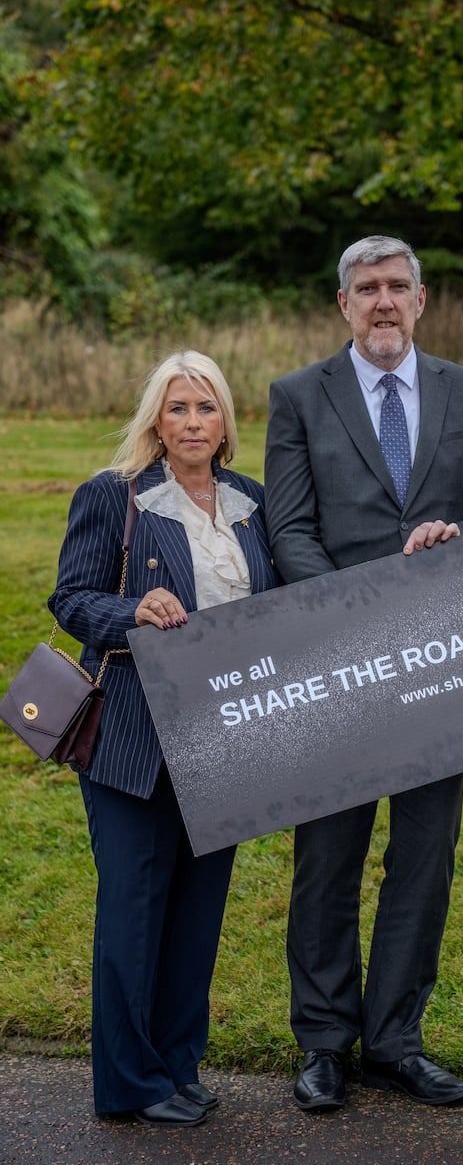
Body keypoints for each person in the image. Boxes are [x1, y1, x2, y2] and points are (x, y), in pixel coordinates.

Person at [264, 234, 463, 1110]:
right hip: (338, 667)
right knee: (326, 858)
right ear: (343, 303)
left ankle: (398, 1041)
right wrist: (352, 614)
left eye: (396, 286)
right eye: (366, 287)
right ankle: (325, 1042)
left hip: (441, 666)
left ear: (421, 299)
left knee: (424, 858)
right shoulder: (299, 396)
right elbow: (289, 529)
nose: (382, 300)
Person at [49, 350, 278, 1127]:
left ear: (225, 422)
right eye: (177, 407)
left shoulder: (251, 500)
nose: (191, 422)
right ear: (156, 417)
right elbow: (71, 596)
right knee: (133, 910)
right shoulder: (114, 498)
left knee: (195, 914)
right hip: (134, 738)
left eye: (205, 408)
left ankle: (177, 1065)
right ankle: (127, 1082)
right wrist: (132, 611)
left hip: (224, 737)